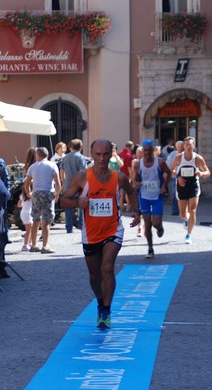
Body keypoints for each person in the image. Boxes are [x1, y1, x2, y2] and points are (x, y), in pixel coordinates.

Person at [61, 139, 140, 330]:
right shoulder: (82, 177)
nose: (102, 158)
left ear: (111, 153)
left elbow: (131, 190)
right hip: (91, 233)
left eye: (106, 154)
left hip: (113, 229)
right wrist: (77, 203)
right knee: (95, 276)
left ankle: (106, 309)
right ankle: (99, 300)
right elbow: (63, 200)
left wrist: (137, 211)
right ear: (92, 154)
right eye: (98, 154)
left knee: (107, 268)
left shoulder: (118, 177)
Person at [132, 139, 171, 258]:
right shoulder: (138, 164)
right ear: (142, 151)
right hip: (144, 197)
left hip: (157, 196)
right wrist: (136, 184)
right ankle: (150, 248)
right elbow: (134, 179)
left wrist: (164, 186)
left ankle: (160, 228)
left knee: (156, 223)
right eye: (145, 150)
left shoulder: (160, 162)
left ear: (153, 150)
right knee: (147, 223)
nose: (147, 152)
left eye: (149, 150)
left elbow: (168, 173)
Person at [169, 136, 211, 244]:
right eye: (186, 144)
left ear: (194, 146)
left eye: (190, 144)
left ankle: (188, 235)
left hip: (193, 186)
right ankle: (186, 220)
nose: (188, 146)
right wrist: (178, 177)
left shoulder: (198, 158)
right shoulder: (179, 157)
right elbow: (170, 170)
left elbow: (208, 171)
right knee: (182, 214)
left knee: (192, 210)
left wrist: (201, 173)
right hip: (181, 186)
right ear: (184, 146)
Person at [22, 147, 61, 253]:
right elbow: (57, 182)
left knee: (35, 220)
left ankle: (34, 244)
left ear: (37, 155)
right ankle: (45, 245)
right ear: (47, 155)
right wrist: (57, 194)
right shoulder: (52, 165)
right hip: (48, 193)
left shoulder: (33, 167)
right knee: (46, 221)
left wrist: (29, 193)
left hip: (36, 193)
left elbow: (27, 183)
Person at [61, 139, 87, 233]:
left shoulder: (66, 157)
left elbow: (62, 171)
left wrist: (63, 181)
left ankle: (69, 227)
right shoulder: (81, 157)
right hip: (79, 185)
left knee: (68, 206)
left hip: (68, 184)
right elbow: (84, 172)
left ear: (70, 147)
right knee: (81, 204)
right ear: (81, 147)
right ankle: (81, 224)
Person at [19, 147, 36, 251]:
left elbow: (19, 204)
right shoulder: (35, 166)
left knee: (29, 229)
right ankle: (26, 244)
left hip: (24, 212)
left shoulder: (27, 166)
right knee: (30, 229)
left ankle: (29, 242)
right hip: (28, 212)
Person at [166, 140, 183, 215]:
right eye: (178, 147)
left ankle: (182, 209)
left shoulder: (185, 154)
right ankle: (175, 210)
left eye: (181, 147)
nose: (180, 148)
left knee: (182, 194)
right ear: (176, 147)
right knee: (174, 193)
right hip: (174, 176)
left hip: (184, 176)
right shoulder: (173, 154)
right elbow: (169, 165)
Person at [117, 141, 134, 211]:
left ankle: (121, 206)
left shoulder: (120, 153)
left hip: (120, 174)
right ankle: (128, 206)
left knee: (121, 192)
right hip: (126, 175)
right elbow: (129, 168)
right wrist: (131, 177)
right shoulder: (129, 155)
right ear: (131, 147)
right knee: (127, 192)